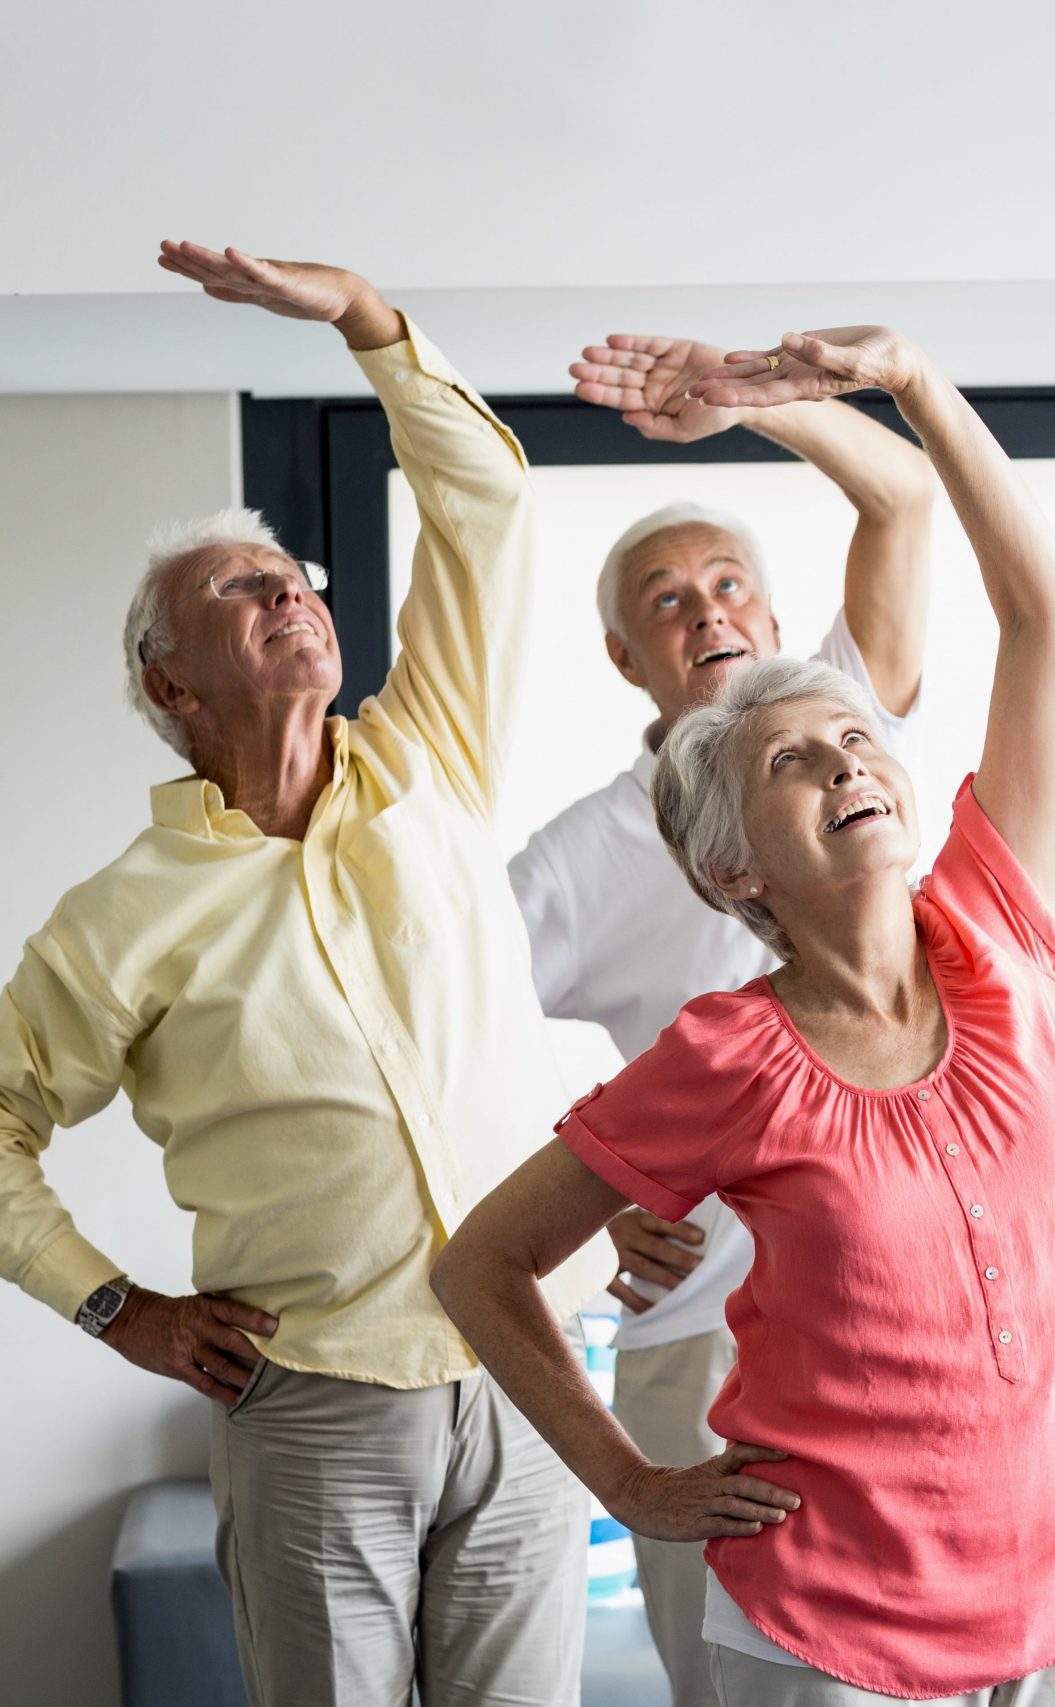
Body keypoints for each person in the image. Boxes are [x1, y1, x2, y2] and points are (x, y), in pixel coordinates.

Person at [432, 321, 1055, 1707]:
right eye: (798, 756)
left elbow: (1051, 613)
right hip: (838, 1618)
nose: (852, 757)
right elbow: (480, 1260)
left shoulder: (996, 920)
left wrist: (910, 379)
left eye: (859, 738)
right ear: (733, 864)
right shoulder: (725, 1051)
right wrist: (628, 1481)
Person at [0, 242, 611, 1706]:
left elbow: (488, 506)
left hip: (534, 1366)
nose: (292, 592)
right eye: (241, 586)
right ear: (170, 682)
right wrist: (108, 1303)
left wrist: (368, 321)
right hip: (315, 1398)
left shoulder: (435, 758)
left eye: (298, 573)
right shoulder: (120, 917)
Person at [512, 330, 939, 1707]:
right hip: (699, 1340)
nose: (708, 613)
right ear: (623, 651)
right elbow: (435, 1044)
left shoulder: (840, 717)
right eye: (668, 599)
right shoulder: (577, 856)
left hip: (892, 1302)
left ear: (770, 609)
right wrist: (591, 1209)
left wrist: (765, 403)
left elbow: (906, 497)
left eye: (728, 583)